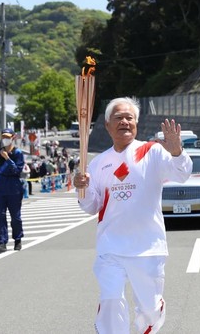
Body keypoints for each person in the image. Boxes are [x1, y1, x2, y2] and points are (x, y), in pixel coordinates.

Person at [73, 97, 193, 334]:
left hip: (147, 246)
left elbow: (182, 174)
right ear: (107, 125)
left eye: (129, 118)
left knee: (149, 310)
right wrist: (81, 188)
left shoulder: (152, 151)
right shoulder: (98, 163)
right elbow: (91, 206)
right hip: (110, 247)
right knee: (110, 300)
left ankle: (150, 316)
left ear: (136, 124)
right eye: (118, 118)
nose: (124, 122)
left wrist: (177, 150)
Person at [0, 128, 25, 252]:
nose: (5, 139)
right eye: (3, 136)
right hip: (0, 188)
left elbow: (17, 170)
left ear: (13, 137)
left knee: (15, 217)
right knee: (0, 216)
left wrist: (7, 159)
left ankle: (18, 238)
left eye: (7, 137)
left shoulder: (18, 153)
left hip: (14, 188)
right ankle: (2, 242)